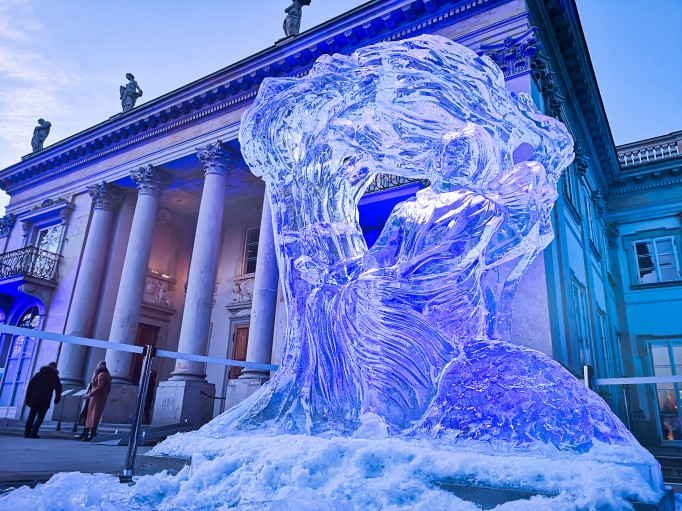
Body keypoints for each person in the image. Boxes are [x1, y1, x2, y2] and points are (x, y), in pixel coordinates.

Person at [24, 362, 62, 439]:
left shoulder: (38, 374)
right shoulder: (54, 376)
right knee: (40, 417)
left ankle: (27, 433)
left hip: (34, 399)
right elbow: (58, 389)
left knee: (31, 416)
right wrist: (57, 399)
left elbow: (30, 387)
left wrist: (28, 399)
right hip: (45, 399)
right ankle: (34, 433)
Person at [81, 361, 111, 442]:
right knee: (92, 415)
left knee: (93, 415)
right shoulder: (104, 374)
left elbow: (99, 386)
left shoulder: (101, 375)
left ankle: (93, 434)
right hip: (97, 396)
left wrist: (90, 394)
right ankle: (90, 433)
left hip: (96, 397)